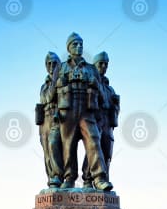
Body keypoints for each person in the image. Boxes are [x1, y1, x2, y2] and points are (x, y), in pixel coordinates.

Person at [55, 32, 113, 191]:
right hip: (67, 108)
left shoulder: (91, 68)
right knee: (68, 144)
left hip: (87, 108)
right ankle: (69, 178)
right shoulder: (61, 67)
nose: (79, 46)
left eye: (81, 44)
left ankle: (99, 178)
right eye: (75, 44)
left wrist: (93, 82)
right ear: (69, 48)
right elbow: (53, 92)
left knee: (94, 139)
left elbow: (102, 93)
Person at [82, 51, 119, 188]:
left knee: (106, 153)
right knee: (93, 150)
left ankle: (104, 180)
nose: (103, 66)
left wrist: (115, 106)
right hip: (94, 120)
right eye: (100, 64)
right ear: (95, 65)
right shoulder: (90, 83)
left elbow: (115, 109)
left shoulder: (110, 89)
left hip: (107, 124)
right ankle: (87, 179)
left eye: (106, 64)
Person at [36, 52, 63, 188]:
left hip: (57, 119)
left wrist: (56, 78)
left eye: (55, 64)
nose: (52, 66)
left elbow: (52, 97)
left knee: (54, 145)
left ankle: (58, 176)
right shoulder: (44, 85)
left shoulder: (60, 82)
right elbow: (46, 98)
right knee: (47, 153)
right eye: (49, 64)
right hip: (44, 121)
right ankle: (52, 179)